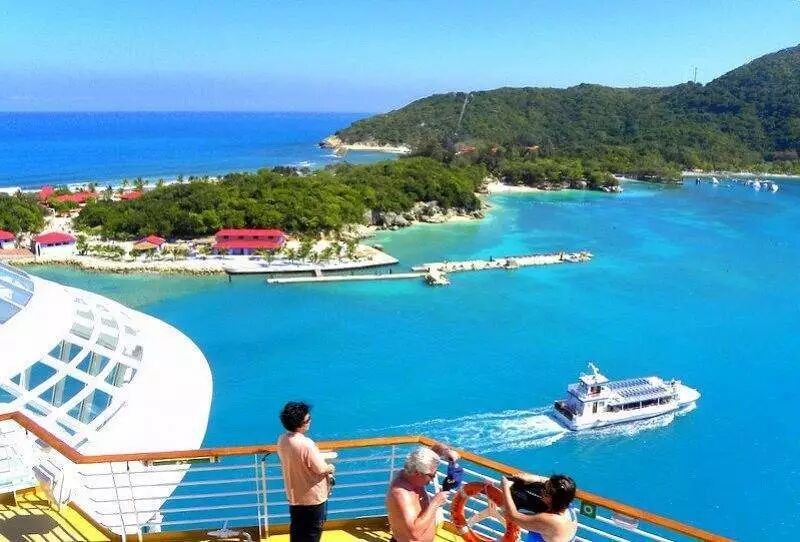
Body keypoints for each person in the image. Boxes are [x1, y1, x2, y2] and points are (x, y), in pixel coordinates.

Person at [276, 401, 335, 542]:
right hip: (312, 498)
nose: (310, 422)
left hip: (295, 496)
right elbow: (321, 469)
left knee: (297, 533)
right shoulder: (306, 444)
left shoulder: (282, 440)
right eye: (308, 420)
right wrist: (330, 467)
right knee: (311, 534)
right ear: (300, 424)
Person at [386, 442, 460, 542]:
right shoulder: (401, 494)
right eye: (432, 475)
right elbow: (414, 534)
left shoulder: (413, 476)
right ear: (417, 473)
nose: (433, 478)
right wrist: (435, 503)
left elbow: (435, 450)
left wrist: (447, 452)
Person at [500, 473, 578, 542]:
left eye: (545, 492)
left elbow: (513, 516)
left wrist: (505, 487)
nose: (541, 491)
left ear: (553, 499)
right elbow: (555, 486)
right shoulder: (567, 504)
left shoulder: (551, 520)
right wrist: (536, 478)